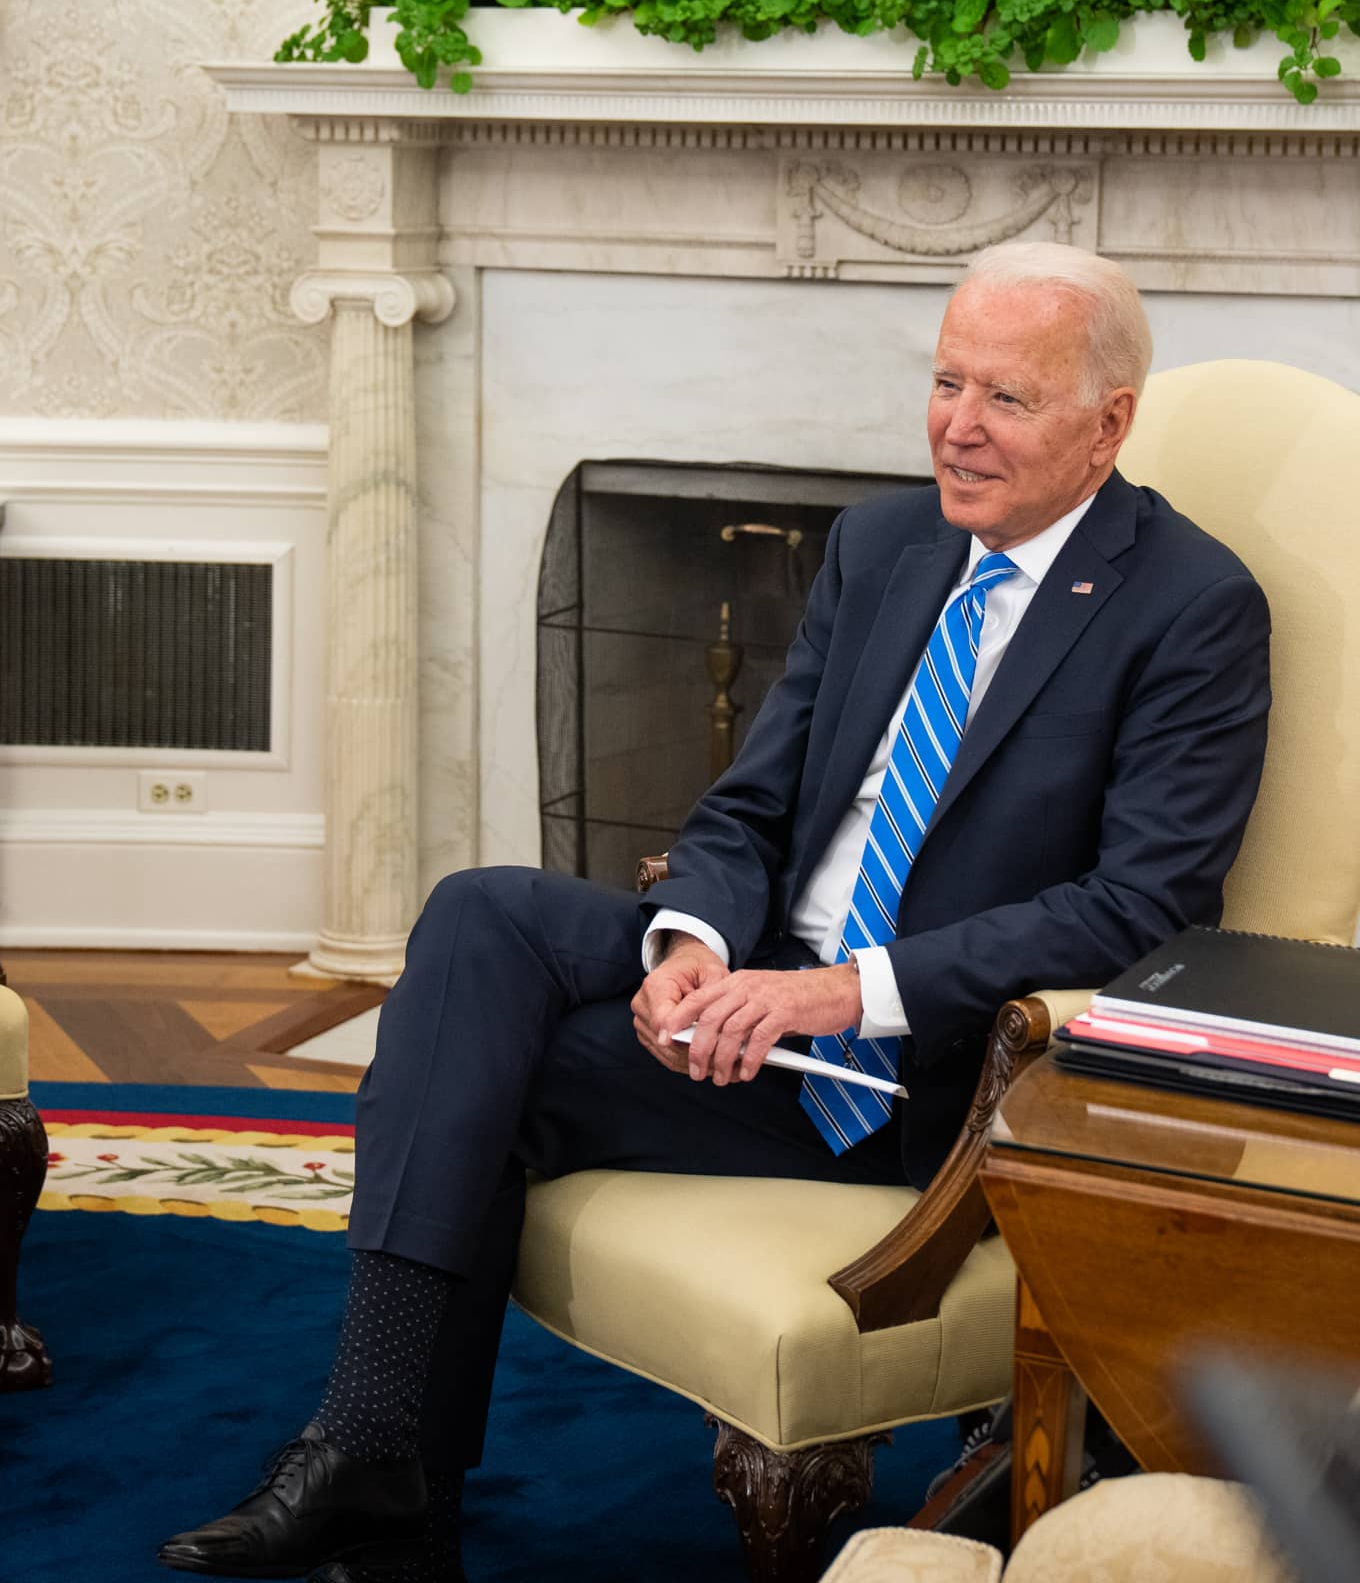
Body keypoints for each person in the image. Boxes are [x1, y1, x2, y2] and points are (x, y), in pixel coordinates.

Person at [158, 243, 1272, 1581]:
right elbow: (749, 806)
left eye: (1006, 399)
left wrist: (839, 993)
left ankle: (386, 1473)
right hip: (761, 1009)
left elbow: (1139, 911)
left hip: (927, 1075)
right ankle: (371, 1444)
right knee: (477, 920)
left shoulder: (1191, 606)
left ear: (1110, 425)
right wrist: (692, 948)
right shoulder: (884, 543)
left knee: (472, 1075)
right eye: (945, 381)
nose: (956, 427)